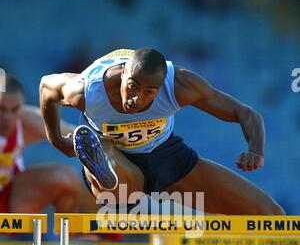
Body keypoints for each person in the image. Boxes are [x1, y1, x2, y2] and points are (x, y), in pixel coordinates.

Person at [39, 48, 285, 215]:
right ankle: (102, 167)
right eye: (132, 87)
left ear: (161, 87)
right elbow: (46, 88)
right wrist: (57, 140)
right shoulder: (87, 91)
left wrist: (255, 149)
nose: (136, 99)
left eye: (149, 93)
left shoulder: (180, 85)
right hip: (116, 157)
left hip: (165, 155)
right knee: (110, 160)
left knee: (271, 215)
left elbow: (247, 114)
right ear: (123, 72)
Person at [0, 74, 83, 214]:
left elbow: (81, 135)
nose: (8, 118)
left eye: (14, 110)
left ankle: (68, 234)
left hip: (10, 198)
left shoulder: (30, 121)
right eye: (1, 109)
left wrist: (115, 140)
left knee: (66, 177)